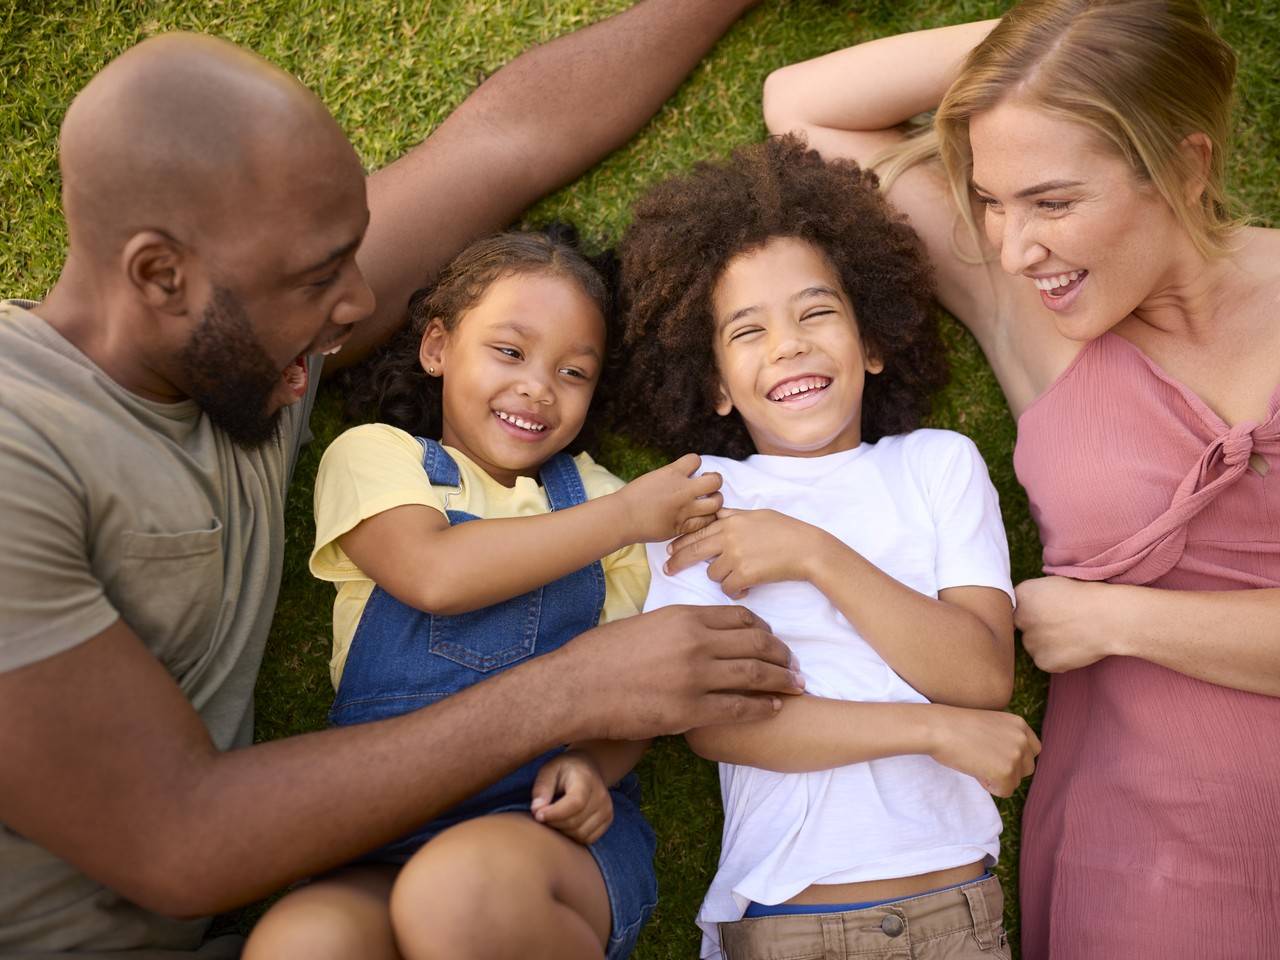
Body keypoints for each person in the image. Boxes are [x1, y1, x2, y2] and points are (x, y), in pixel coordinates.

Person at [0, 4, 806, 957]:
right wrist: (570, 691)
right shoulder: (22, 442)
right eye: (316, 278)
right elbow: (177, 837)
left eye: (352, 254)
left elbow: (510, 142)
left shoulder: (252, 359)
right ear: (161, 276)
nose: (358, 304)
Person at [762, 1, 1280, 956]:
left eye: (1051, 201)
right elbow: (802, 109)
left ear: (1187, 164)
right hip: (1143, 866)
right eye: (990, 201)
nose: (1011, 247)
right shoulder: (1030, 311)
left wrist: (1122, 620)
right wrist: (1054, 41)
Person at [616, 134, 1041, 960]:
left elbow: (982, 674)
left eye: (816, 312)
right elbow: (716, 724)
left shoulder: (937, 465)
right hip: (787, 920)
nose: (789, 345)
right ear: (715, 385)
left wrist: (813, 552)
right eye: (747, 332)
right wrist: (929, 732)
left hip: (953, 911)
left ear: (873, 341)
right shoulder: (705, 494)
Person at [245, 229, 725, 959]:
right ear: (437, 348)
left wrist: (594, 766)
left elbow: (638, 682)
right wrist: (623, 518)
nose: (537, 386)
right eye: (510, 351)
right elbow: (434, 574)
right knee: (299, 942)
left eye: (573, 372)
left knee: (456, 895)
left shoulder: (601, 500)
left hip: (546, 832)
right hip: (380, 821)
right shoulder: (378, 457)